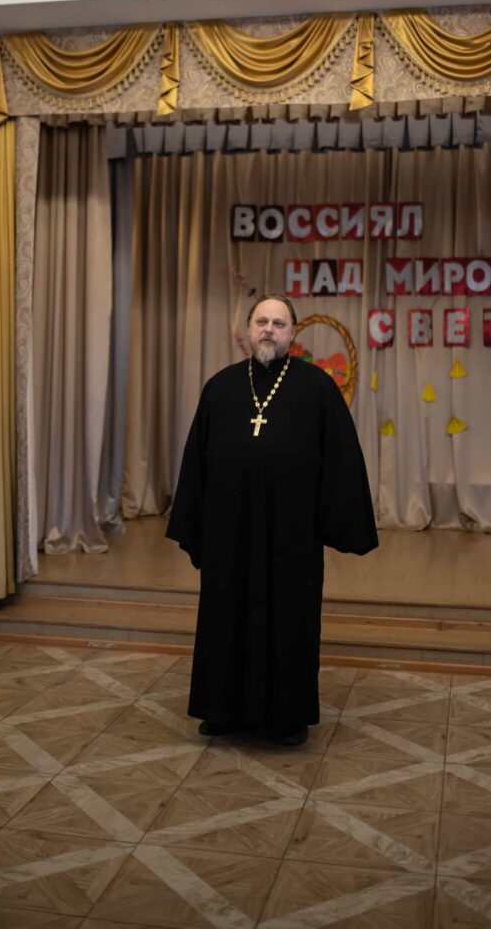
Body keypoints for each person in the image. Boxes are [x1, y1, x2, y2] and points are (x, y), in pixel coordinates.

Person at [166, 293, 378, 745]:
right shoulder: (220, 387)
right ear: (247, 330)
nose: (268, 329)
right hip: (229, 533)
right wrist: (194, 523)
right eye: (261, 321)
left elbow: (341, 460)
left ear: (292, 334)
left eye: (278, 323)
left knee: (289, 621)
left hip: (291, 536)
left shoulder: (318, 388)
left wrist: (338, 522)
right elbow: (196, 462)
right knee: (226, 616)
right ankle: (220, 711)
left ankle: (287, 717)